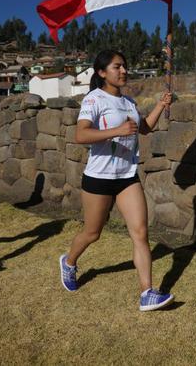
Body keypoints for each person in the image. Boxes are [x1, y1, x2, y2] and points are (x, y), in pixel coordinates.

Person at [59, 50, 174, 312]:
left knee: (141, 233)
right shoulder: (94, 99)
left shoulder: (129, 102)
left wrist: (160, 105)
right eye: (117, 67)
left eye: (125, 66)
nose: (123, 71)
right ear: (101, 73)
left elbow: (144, 128)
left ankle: (147, 293)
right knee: (92, 233)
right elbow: (81, 135)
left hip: (127, 177)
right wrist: (117, 131)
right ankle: (68, 262)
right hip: (99, 178)